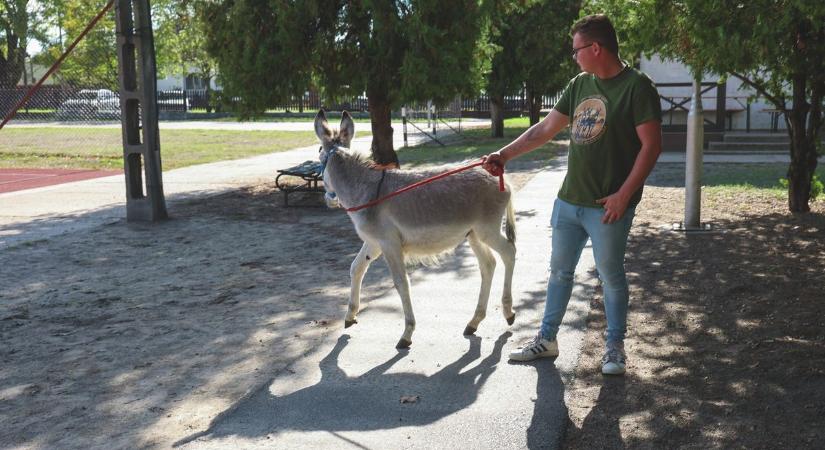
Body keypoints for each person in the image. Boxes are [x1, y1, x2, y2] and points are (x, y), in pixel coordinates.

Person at [483, 14, 662, 375]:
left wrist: (624, 195)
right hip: (569, 203)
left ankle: (614, 348)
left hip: (608, 206)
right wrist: (505, 155)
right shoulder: (580, 84)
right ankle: (546, 340)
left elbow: (651, 146)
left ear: (595, 48)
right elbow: (545, 129)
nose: (574, 56)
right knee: (559, 273)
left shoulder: (637, 87)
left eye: (577, 49)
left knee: (611, 276)